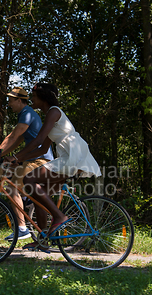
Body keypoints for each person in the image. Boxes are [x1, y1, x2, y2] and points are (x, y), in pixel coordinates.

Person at [5, 83, 101, 248]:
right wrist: (17, 159)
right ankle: (42, 241)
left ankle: (59, 216)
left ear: (43, 98)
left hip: (72, 156)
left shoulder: (54, 112)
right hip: (69, 157)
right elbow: (42, 148)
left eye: (34, 97)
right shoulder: (50, 115)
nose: (31, 100)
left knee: (29, 180)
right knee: (37, 196)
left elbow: (38, 140)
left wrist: (16, 156)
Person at [0, 86, 54, 241]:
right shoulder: (25, 115)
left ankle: (22, 228)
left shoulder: (27, 113)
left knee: (11, 186)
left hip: (40, 160)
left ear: (19, 100)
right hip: (32, 159)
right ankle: (26, 200)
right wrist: (4, 156)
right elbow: (17, 140)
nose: (9, 104)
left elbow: (13, 137)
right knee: (8, 175)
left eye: (11, 100)